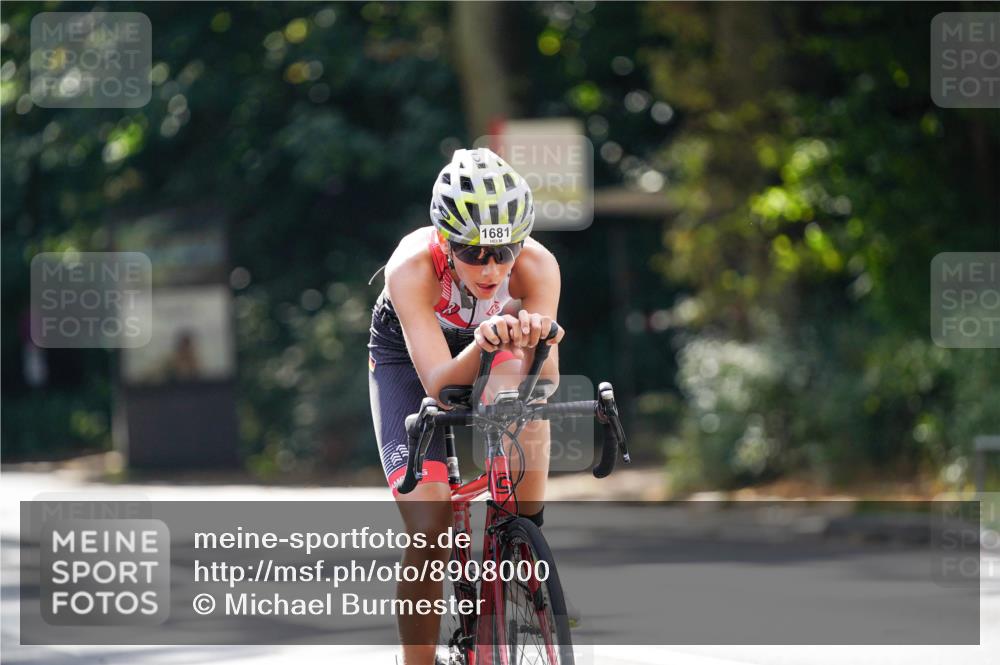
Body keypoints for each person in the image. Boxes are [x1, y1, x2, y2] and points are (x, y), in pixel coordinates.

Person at [368, 147, 563, 665]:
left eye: (505, 251)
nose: (491, 268)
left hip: (491, 346)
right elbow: (439, 386)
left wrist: (535, 341)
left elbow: (546, 380)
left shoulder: (537, 266)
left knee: (525, 410)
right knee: (429, 527)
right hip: (410, 361)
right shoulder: (412, 267)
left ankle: (516, 545)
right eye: (473, 253)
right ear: (444, 240)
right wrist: (486, 340)